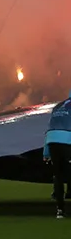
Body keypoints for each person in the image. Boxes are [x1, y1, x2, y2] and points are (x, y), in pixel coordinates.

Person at [43, 89, 71, 219]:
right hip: (67, 139)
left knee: (58, 175)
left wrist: (46, 152)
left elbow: (50, 128)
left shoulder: (58, 106)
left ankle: (60, 210)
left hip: (52, 140)